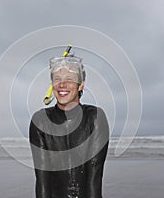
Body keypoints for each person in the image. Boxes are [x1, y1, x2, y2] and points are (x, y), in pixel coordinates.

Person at [29, 46, 109, 198]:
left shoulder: (95, 117)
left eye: (69, 79)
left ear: (81, 85)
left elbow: (94, 178)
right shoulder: (40, 121)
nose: (62, 85)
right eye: (57, 79)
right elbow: (42, 180)